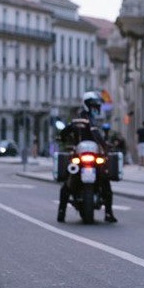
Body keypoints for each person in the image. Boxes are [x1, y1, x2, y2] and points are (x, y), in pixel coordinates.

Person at [57, 91, 117, 223]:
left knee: (68, 182)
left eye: (96, 106)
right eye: (92, 106)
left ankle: (61, 212)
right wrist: (105, 145)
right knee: (104, 181)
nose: (94, 109)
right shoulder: (90, 120)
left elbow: (64, 133)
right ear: (86, 105)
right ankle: (108, 212)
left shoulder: (76, 119)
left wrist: (62, 138)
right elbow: (97, 136)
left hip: (82, 154)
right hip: (86, 154)